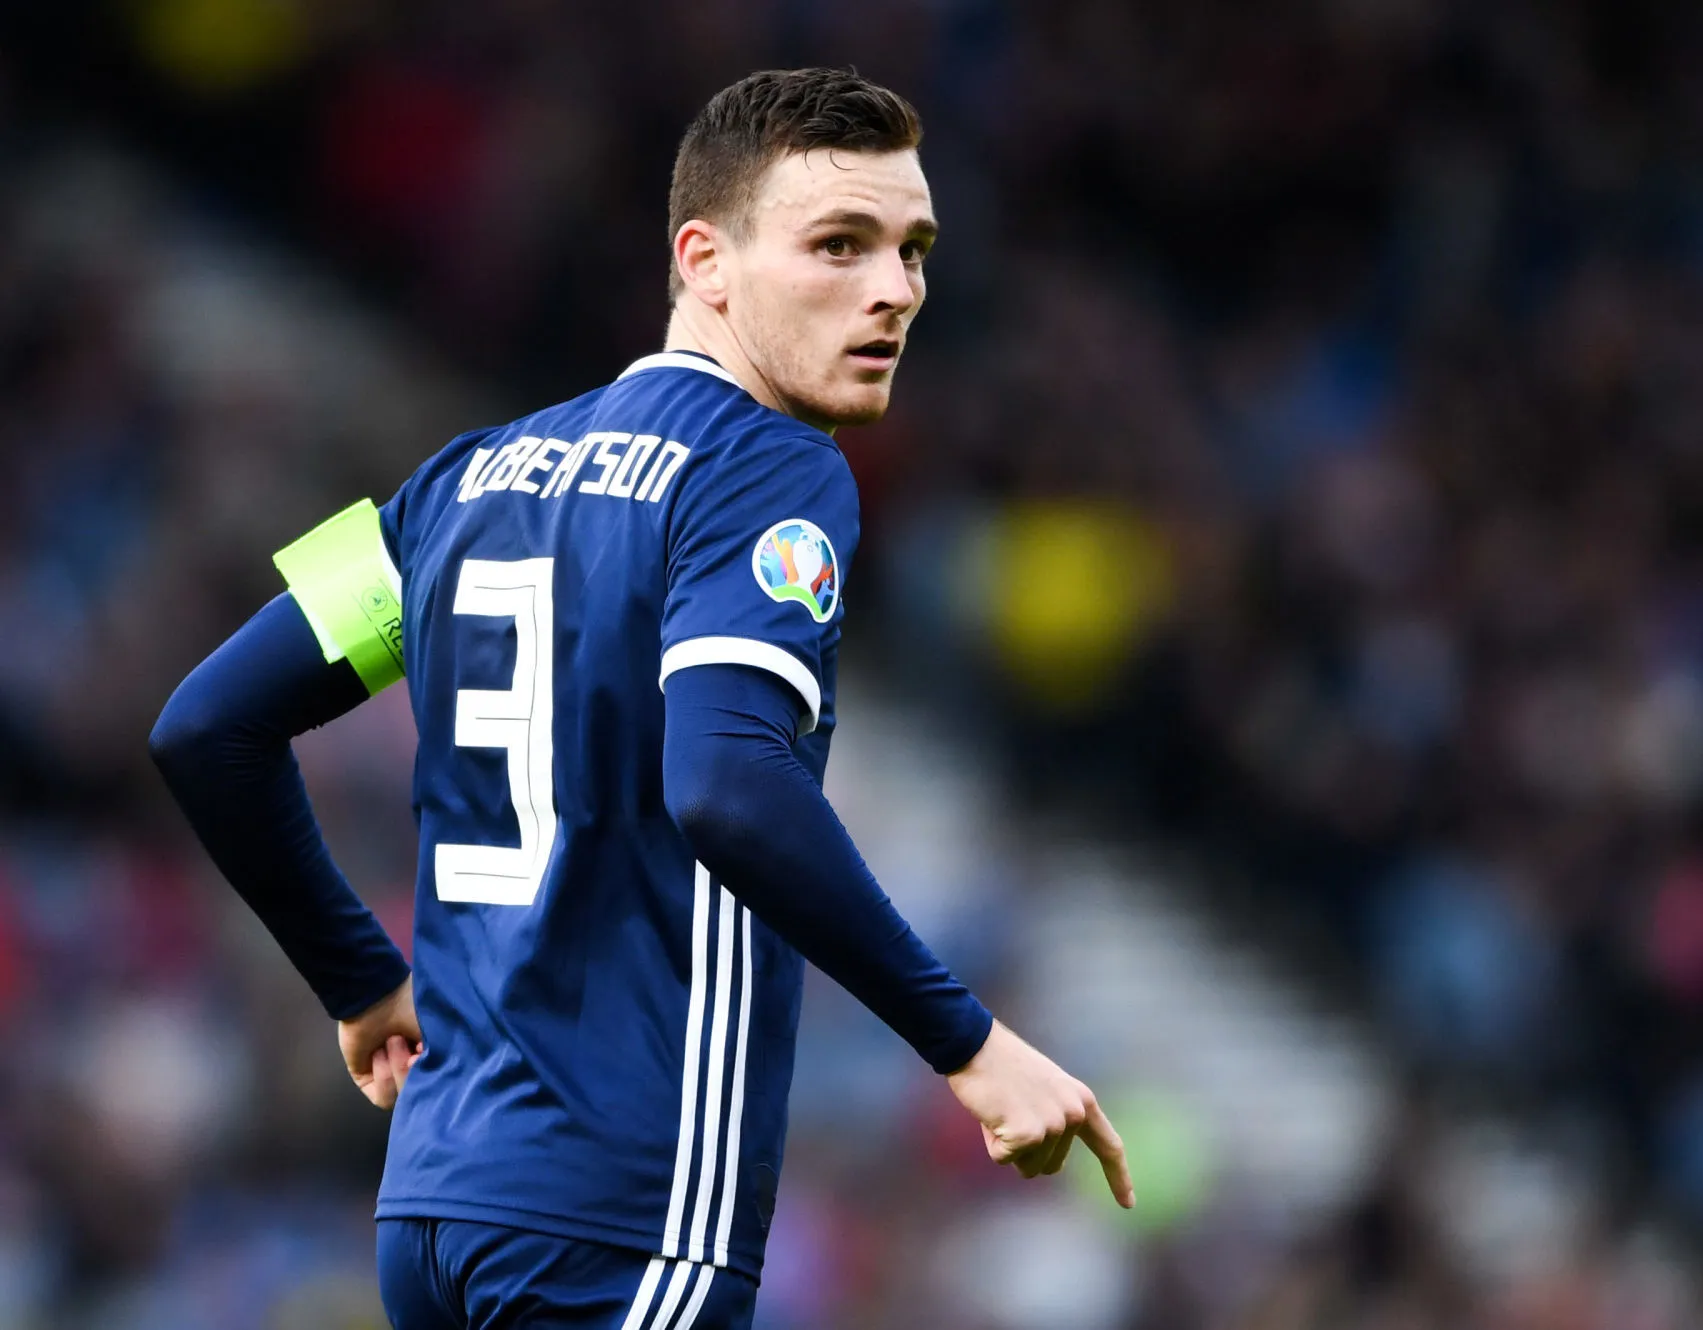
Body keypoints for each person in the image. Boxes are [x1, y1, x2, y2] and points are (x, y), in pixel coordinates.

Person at [149, 67, 1132, 1330]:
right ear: (704, 261)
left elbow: (208, 725)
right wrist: (970, 1045)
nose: (893, 288)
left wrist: (357, 978)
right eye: (838, 245)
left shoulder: (461, 478)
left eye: (913, 249)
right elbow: (726, 781)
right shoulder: (770, 468)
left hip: (436, 1209)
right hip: (622, 1213)